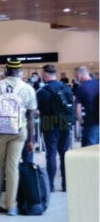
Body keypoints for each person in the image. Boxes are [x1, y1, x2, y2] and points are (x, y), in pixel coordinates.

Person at [0, 59, 38, 216]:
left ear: (6, 71)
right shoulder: (28, 89)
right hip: (19, 131)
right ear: (20, 71)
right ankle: (11, 206)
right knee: (12, 167)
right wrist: (31, 139)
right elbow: (31, 116)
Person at [36, 64, 74, 192]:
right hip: (65, 123)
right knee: (64, 154)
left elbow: (37, 110)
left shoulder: (42, 92)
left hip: (49, 123)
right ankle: (66, 185)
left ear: (46, 75)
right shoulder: (66, 88)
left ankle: (50, 185)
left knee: (51, 154)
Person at [74, 66, 99, 146]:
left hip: (89, 123)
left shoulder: (81, 88)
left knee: (88, 148)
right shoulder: (98, 83)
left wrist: (81, 121)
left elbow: (78, 110)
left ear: (78, 75)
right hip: (97, 121)